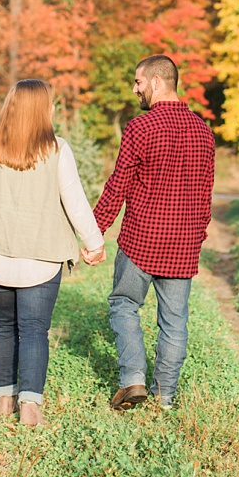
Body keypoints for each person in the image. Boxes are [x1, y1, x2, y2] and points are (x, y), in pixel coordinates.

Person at [0, 79, 105, 426]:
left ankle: (3, 400)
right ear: (43, 109)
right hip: (40, 256)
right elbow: (75, 201)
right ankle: (30, 407)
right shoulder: (57, 149)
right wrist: (94, 242)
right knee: (35, 330)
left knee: (3, 326)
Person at [93, 55, 215, 411]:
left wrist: (94, 232)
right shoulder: (203, 130)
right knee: (174, 322)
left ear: (157, 82)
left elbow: (119, 185)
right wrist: (197, 236)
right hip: (183, 245)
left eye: (138, 82)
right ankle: (164, 398)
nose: (135, 89)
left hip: (141, 241)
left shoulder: (140, 128)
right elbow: (205, 193)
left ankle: (133, 380)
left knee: (124, 305)